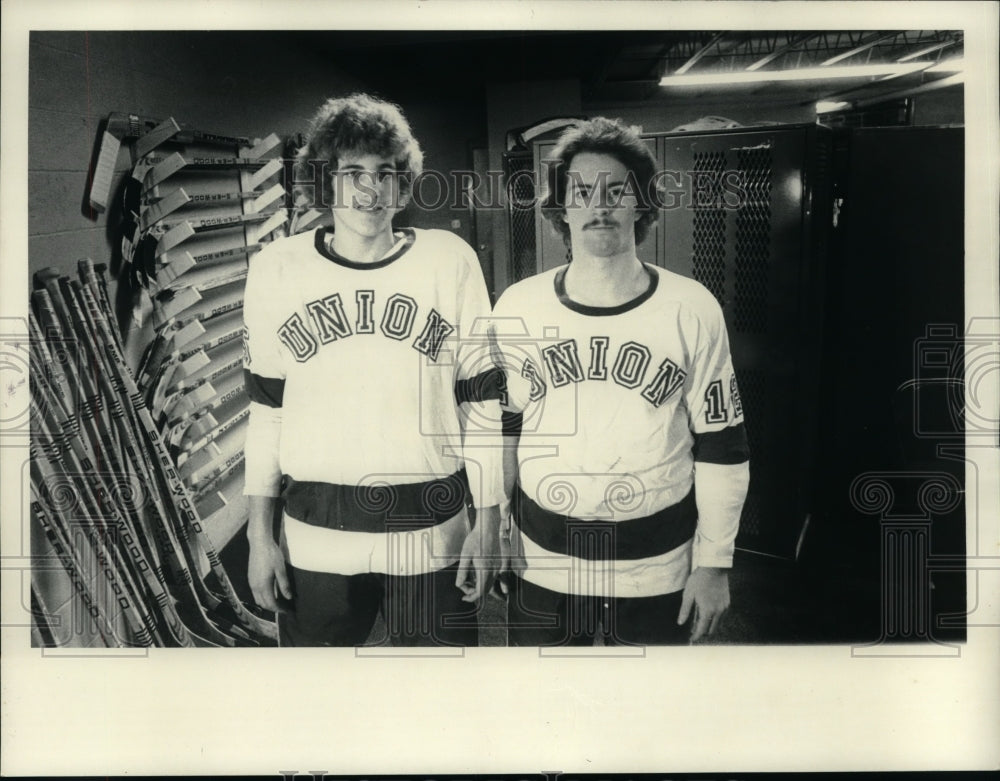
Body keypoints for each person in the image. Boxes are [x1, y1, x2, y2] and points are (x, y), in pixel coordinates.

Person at [242, 93, 502, 646]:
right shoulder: (276, 269)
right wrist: (259, 537)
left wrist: (490, 523)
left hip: (432, 535)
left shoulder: (449, 260)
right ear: (324, 180)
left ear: (403, 184)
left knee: (441, 693)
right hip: (316, 538)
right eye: (352, 173)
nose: (370, 190)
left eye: (385, 173)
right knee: (322, 694)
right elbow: (266, 414)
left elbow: (481, 407)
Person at [489, 117, 750, 645]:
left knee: (647, 698)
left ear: (642, 204)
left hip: (656, 566)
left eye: (616, 191)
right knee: (544, 696)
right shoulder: (518, 307)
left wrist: (715, 563)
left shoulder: (691, 307)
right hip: (544, 560)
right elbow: (504, 431)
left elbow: (723, 444)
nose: (600, 206)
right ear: (561, 208)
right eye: (581, 192)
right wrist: (495, 526)